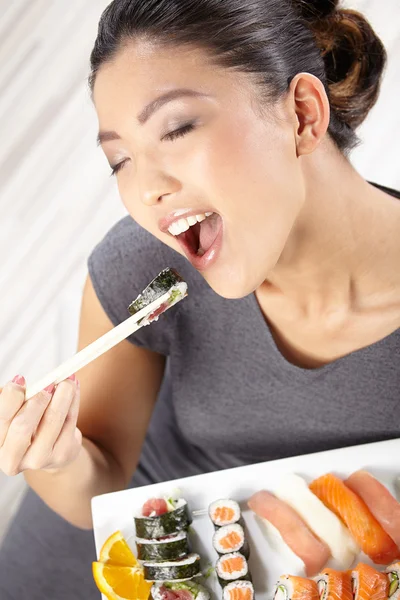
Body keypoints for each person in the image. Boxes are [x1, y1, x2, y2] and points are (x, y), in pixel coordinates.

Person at [0, 0, 399, 597]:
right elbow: (99, 490)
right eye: (121, 161)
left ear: (301, 114)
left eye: (178, 128)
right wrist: (58, 459)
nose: (148, 189)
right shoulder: (147, 263)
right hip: (122, 543)